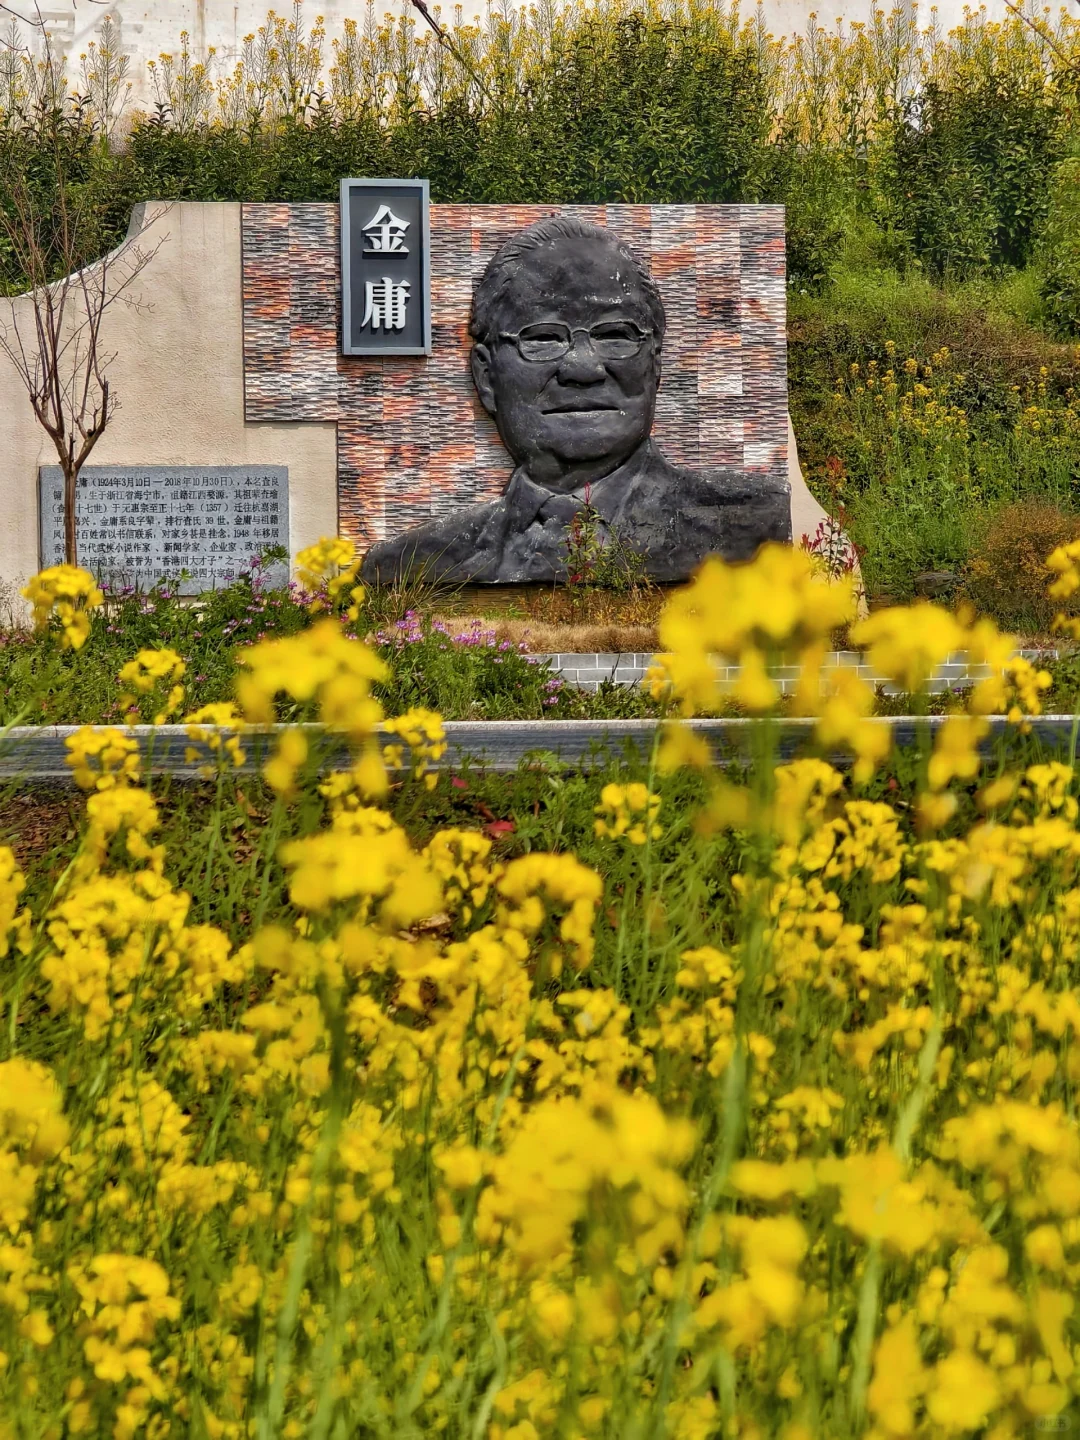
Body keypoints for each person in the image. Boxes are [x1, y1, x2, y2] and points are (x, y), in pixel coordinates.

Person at [360, 214, 791, 584]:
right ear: (486, 377)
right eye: (543, 337)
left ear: (655, 364)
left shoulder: (753, 526)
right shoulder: (412, 564)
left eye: (616, 335)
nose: (583, 368)